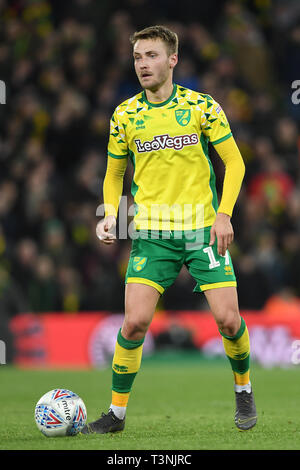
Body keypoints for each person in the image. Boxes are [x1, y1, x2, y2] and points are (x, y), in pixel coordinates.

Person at [81, 25, 257, 434]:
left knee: (229, 321)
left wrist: (225, 214)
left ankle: (244, 389)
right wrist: (110, 213)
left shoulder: (202, 107)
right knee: (134, 324)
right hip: (152, 234)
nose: (143, 64)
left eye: (152, 56)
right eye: (138, 57)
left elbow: (235, 163)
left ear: (173, 60)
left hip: (201, 230)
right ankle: (116, 415)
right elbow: (114, 173)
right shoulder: (124, 115)